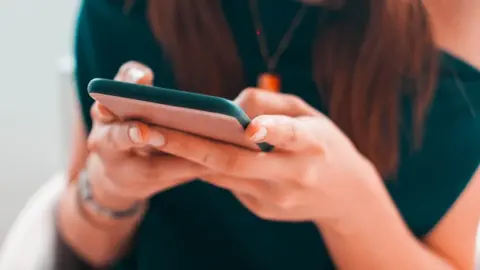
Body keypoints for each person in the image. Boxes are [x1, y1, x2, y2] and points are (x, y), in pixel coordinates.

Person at [56, 0, 480, 269]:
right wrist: (109, 192)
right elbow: (78, 247)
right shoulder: (123, 12)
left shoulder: (460, 37)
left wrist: (352, 205)